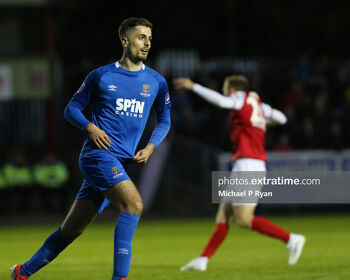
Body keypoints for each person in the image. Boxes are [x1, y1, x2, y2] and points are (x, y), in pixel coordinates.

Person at [11, 17, 171, 280]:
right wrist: (90, 127)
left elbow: (165, 119)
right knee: (133, 205)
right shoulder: (101, 76)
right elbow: (71, 108)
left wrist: (152, 146)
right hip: (98, 157)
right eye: (141, 37)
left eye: (150, 39)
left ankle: (22, 272)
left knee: (71, 230)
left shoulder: (156, 82)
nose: (147, 43)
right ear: (125, 40)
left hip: (120, 163)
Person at [173, 75, 305, 271]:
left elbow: (221, 101)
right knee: (224, 214)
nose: (226, 93)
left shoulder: (240, 98)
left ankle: (291, 239)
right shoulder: (258, 104)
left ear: (232, 89)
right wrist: (260, 124)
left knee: (243, 219)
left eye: (227, 89)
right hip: (248, 164)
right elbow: (281, 118)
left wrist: (194, 87)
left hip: (248, 165)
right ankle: (203, 259)